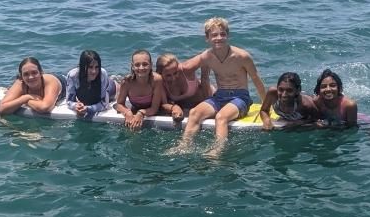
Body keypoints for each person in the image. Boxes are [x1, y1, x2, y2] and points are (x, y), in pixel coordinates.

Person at [172, 17, 267, 156]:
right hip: (219, 96)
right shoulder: (206, 57)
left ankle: (217, 150)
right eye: (214, 35)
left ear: (227, 35)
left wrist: (266, 107)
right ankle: (184, 146)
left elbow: (256, 80)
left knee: (221, 117)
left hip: (240, 97)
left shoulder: (242, 56)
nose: (219, 38)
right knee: (194, 113)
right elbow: (195, 73)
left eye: (222, 34)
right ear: (207, 38)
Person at [113, 49, 164, 131]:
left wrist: (141, 113)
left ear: (151, 65)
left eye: (145, 64)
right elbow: (118, 104)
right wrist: (127, 112)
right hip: (134, 109)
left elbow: (154, 108)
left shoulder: (156, 80)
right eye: (137, 65)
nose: (141, 68)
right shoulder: (126, 82)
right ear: (132, 66)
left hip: (154, 112)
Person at [0, 57, 64, 116]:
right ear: (21, 77)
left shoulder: (50, 81)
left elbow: (45, 107)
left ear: (41, 73)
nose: (31, 77)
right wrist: (25, 97)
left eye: (34, 72)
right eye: (26, 74)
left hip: (63, 81)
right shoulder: (20, 83)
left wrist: (24, 101)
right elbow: (1, 109)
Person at [155, 53, 211, 122]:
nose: (173, 78)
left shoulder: (186, 68)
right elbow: (164, 104)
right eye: (168, 75)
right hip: (185, 107)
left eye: (175, 73)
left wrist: (204, 75)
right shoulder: (159, 81)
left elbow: (206, 55)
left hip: (205, 98)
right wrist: (174, 108)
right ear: (160, 73)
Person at [65, 50, 117, 119]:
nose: (94, 71)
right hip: (88, 92)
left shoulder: (102, 74)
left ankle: (116, 81)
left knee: (114, 89)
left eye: (97, 67)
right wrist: (76, 106)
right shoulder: (73, 75)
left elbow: (105, 104)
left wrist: (88, 108)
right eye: (90, 67)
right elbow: (69, 101)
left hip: (109, 87)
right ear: (83, 67)